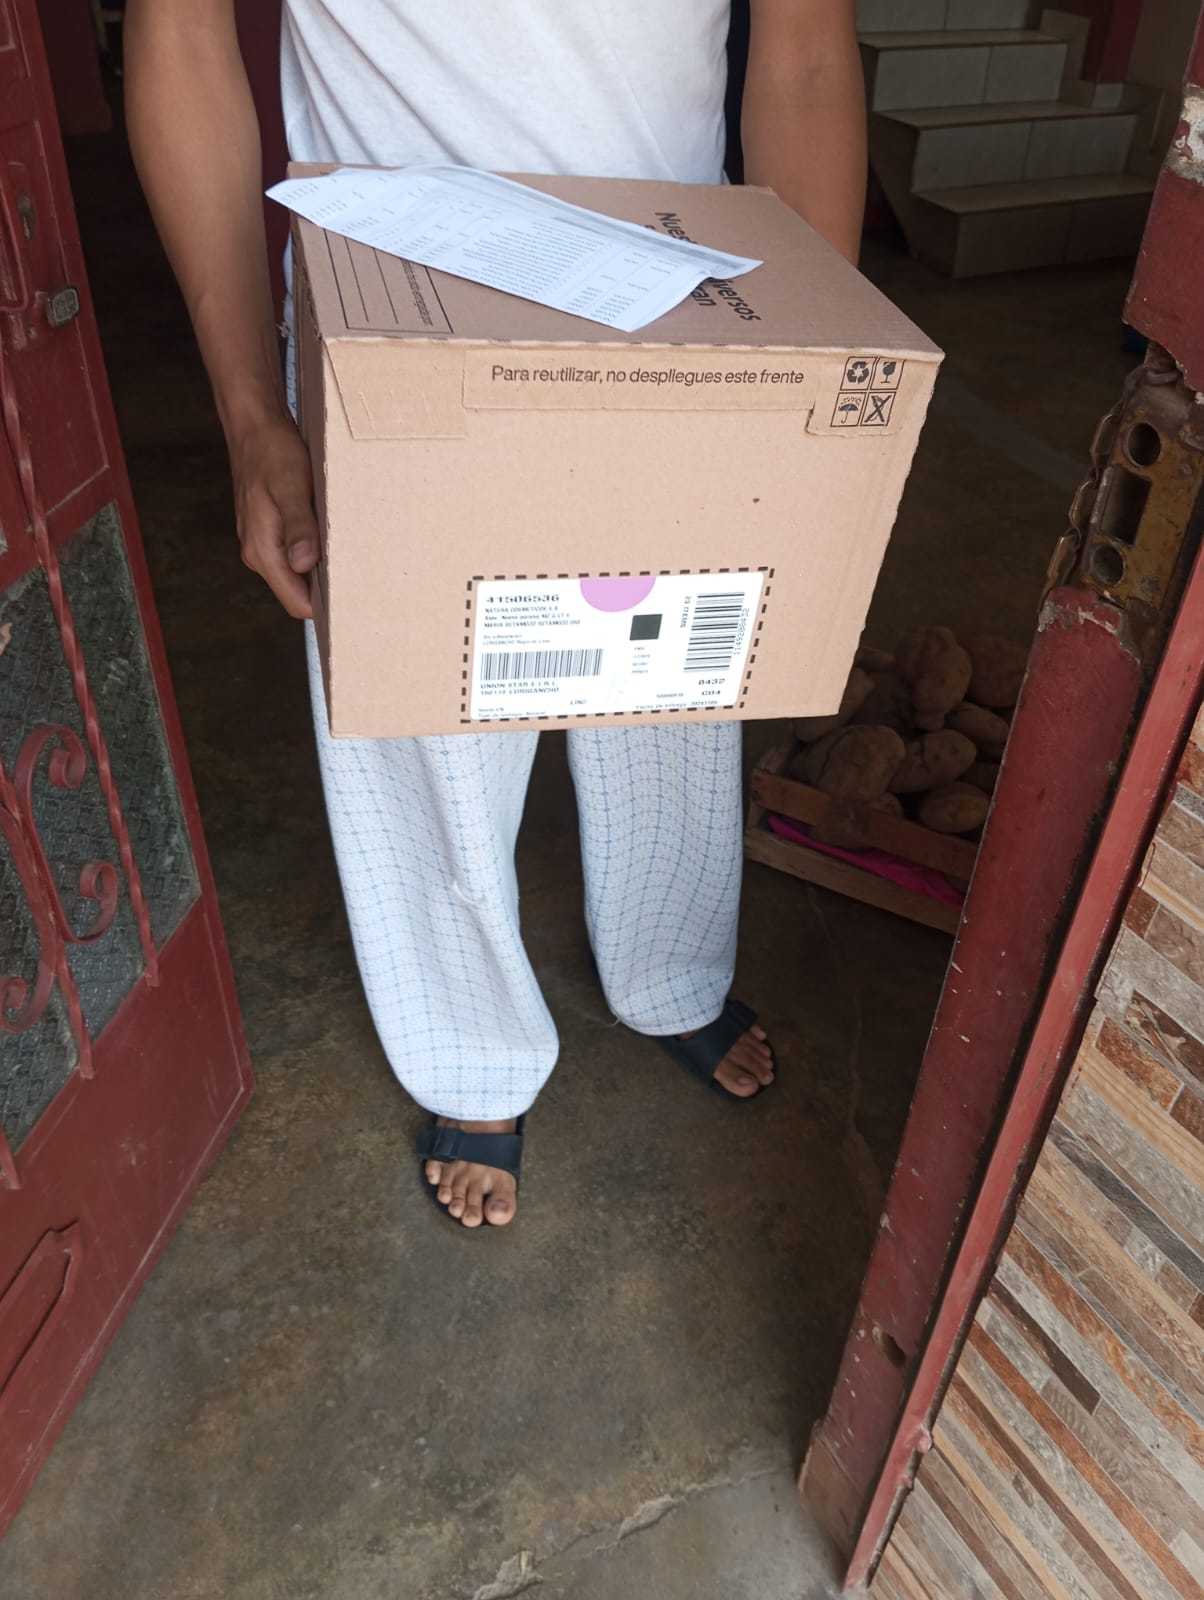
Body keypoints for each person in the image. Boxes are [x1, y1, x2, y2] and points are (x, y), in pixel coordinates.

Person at [125, 1, 866, 1229]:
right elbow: (183, 32)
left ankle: (669, 966)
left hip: (676, 283)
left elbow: (801, 52)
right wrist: (251, 411)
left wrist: (812, 378)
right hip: (397, 304)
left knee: (674, 672)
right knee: (427, 725)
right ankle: (469, 1045)